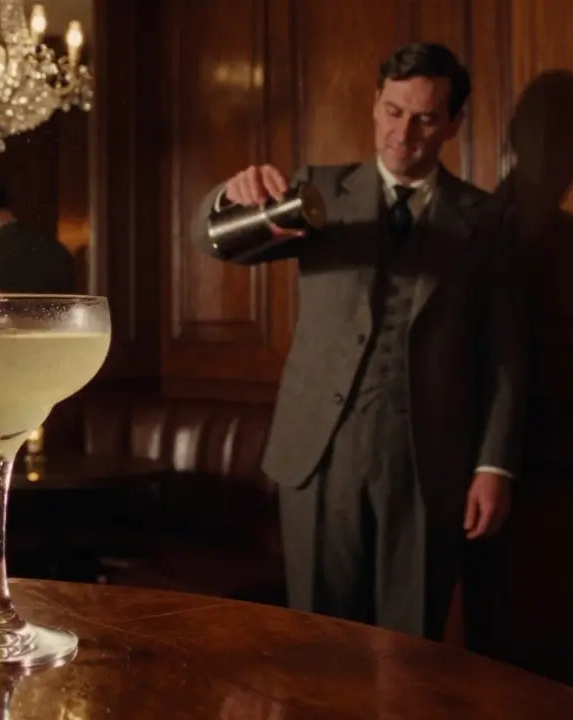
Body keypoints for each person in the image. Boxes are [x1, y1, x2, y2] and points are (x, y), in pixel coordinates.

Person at [189, 42, 528, 640]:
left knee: (409, 650)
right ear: (375, 106)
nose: (404, 133)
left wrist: (493, 464)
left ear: (452, 124)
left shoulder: (488, 219)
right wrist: (227, 197)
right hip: (320, 454)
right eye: (394, 111)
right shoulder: (317, 192)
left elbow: (503, 354)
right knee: (319, 644)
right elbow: (211, 239)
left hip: (428, 461)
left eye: (424, 118)